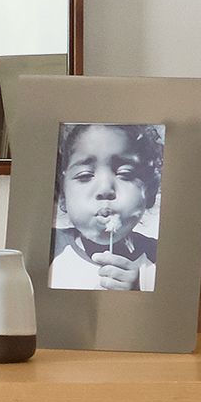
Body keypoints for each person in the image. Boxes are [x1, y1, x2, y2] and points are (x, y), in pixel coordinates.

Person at [51, 121, 163, 290]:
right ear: (63, 195)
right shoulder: (48, 249)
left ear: (149, 192)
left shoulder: (161, 258)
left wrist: (136, 294)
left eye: (125, 173)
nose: (105, 189)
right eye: (85, 175)